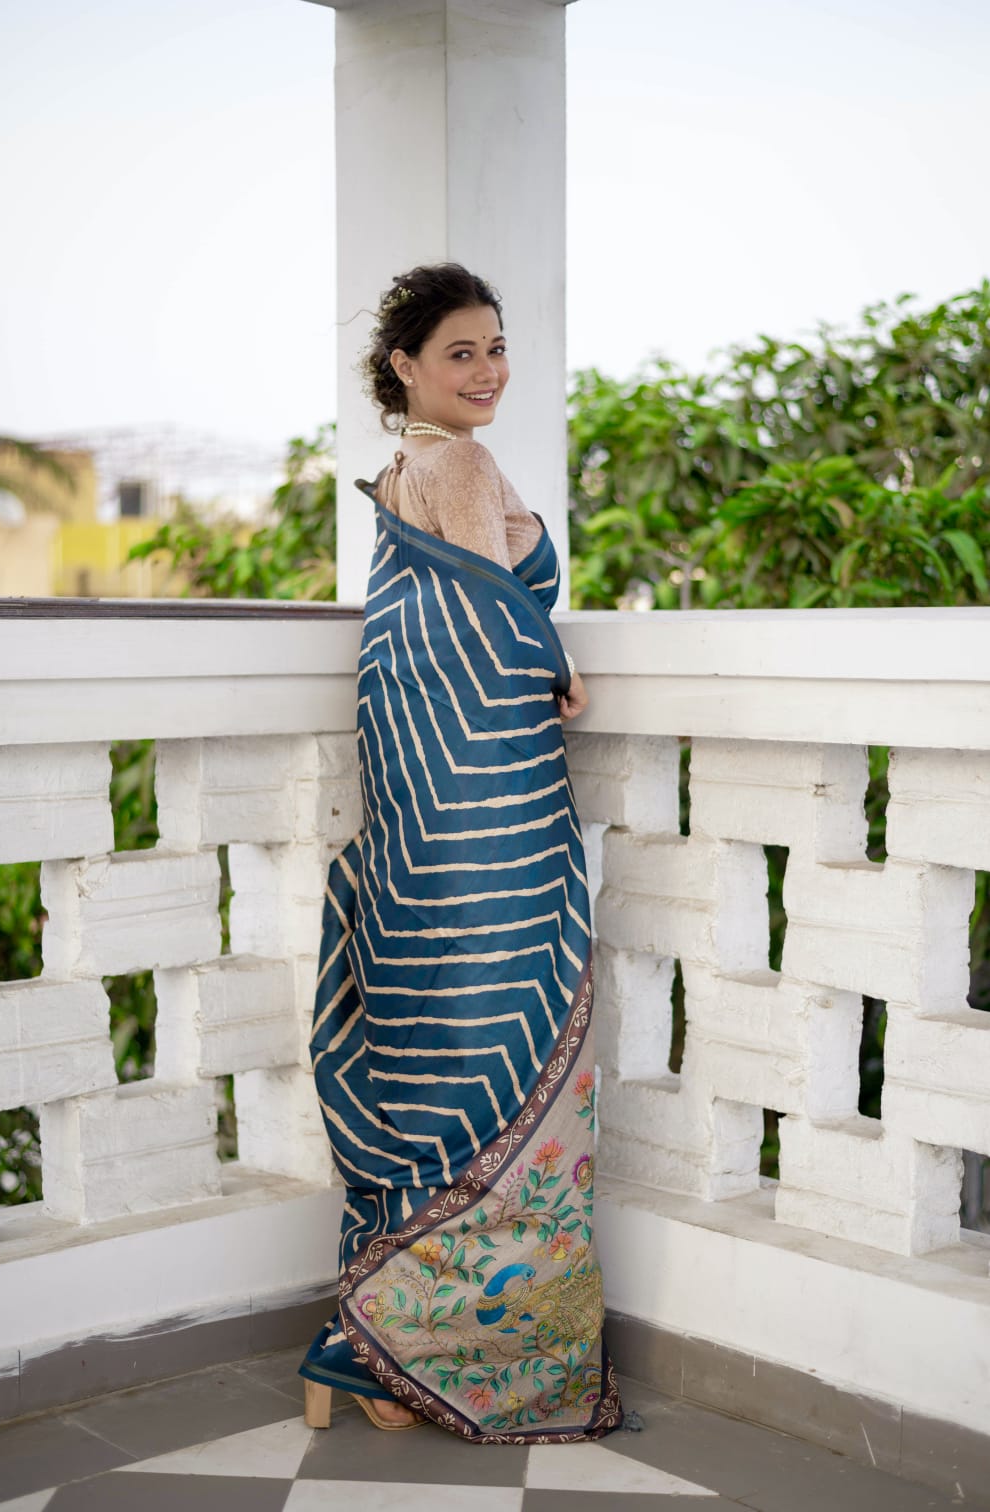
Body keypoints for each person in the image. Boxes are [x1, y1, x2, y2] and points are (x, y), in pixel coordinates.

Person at [298, 263, 622, 1442]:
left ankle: (367, 1331)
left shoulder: (396, 477)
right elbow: (492, 610)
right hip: (483, 783)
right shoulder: (461, 464)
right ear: (405, 368)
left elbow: (433, 620)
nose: (485, 371)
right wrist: (560, 667)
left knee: (426, 1013)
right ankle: (423, 1352)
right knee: (506, 1003)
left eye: (495, 348)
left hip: (413, 778)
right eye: (460, 353)